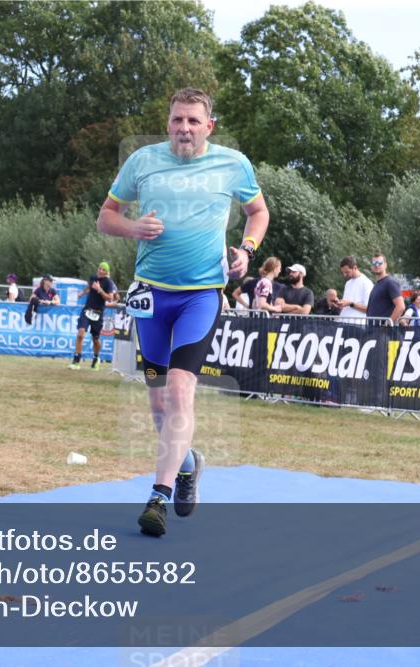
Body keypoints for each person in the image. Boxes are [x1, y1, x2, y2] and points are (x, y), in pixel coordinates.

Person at [96, 87, 269, 536]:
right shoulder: (143, 161)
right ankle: (188, 463)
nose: (184, 129)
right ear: (168, 122)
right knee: (157, 404)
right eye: (177, 120)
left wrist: (247, 251)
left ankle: (159, 496)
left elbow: (258, 212)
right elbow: (105, 217)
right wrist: (133, 227)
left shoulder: (233, 163)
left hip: (200, 295)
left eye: (194, 121)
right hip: (152, 295)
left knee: (178, 391)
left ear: (209, 126)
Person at [71, 261, 118, 370]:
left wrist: (100, 290)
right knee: (80, 334)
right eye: (99, 268)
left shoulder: (108, 282)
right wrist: (82, 293)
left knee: (95, 339)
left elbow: (110, 298)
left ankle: (96, 358)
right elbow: (88, 288)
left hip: (98, 313)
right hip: (87, 310)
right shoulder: (93, 278)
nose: (100, 270)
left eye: (103, 269)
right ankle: (76, 360)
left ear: (106, 272)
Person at [366, 253, 405, 325]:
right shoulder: (376, 284)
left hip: (384, 333)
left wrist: (387, 324)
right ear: (371, 266)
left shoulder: (390, 282)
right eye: (374, 263)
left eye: (380, 263)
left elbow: (401, 306)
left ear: (385, 265)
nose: (377, 265)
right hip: (372, 330)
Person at [337, 256, 374, 323]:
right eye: (343, 272)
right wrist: (340, 304)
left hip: (357, 324)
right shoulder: (348, 283)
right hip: (343, 322)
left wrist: (350, 304)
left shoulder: (366, 283)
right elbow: (346, 303)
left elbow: (369, 309)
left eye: (347, 272)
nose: (344, 275)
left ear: (355, 268)